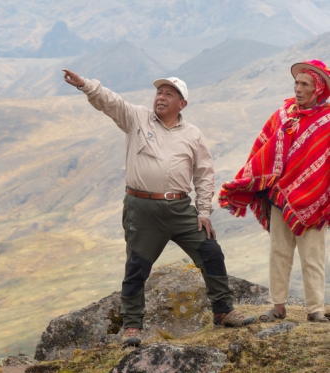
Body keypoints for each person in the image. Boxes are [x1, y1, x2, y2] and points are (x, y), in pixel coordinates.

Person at [62, 69, 255, 347]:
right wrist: (85, 85)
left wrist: (203, 212)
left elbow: (204, 175)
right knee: (136, 266)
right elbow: (111, 101)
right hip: (141, 209)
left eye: (169, 94)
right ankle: (131, 326)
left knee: (211, 251)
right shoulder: (137, 118)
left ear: (182, 104)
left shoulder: (193, 135)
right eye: (159, 92)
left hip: (180, 208)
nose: (161, 97)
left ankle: (223, 311)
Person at [218, 59, 330, 324]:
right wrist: (262, 194)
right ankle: (277, 306)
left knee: (313, 257)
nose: (298, 89)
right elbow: (261, 155)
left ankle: (315, 310)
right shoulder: (282, 116)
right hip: (280, 200)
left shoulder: (327, 123)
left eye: (304, 84)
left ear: (318, 89)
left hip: (313, 204)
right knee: (278, 253)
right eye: (296, 83)